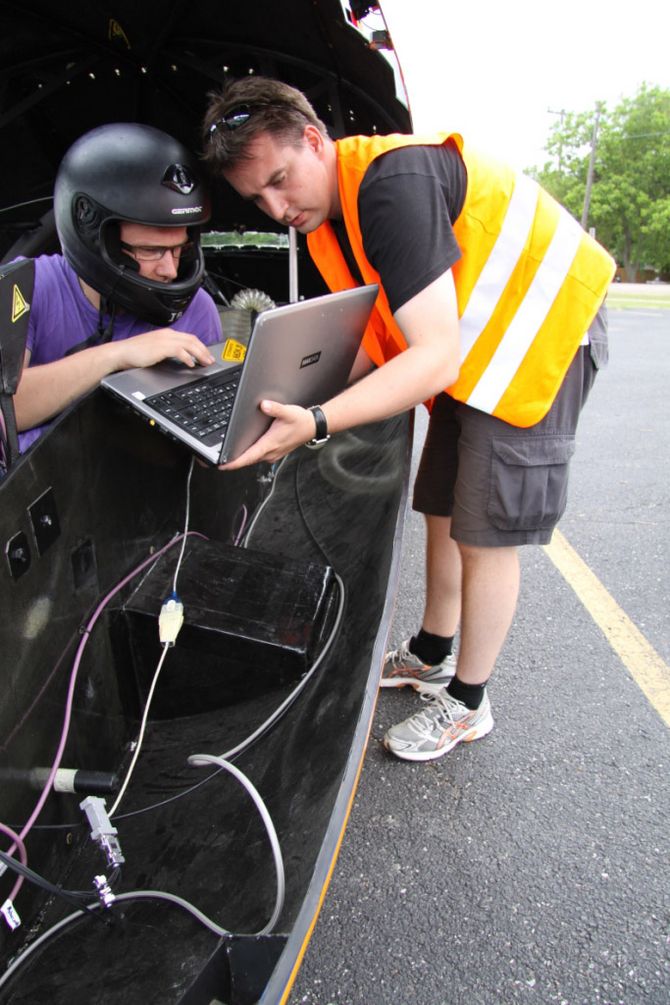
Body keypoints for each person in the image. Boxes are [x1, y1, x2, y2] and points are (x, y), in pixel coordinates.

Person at [201, 77, 615, 763]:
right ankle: (430, 653)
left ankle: (468, 702)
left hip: (541, 333)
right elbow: (380, 337)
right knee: (445, 509)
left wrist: (319, 420)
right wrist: (290, 394)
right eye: (255, 199)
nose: (276, 208)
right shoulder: (337, 209)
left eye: (279, 180)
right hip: (476, 344)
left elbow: (431, 358)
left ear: (312, 138)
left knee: (487, 530)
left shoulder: (388, 188)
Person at [14, 122, 222, 452]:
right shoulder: (26, 288)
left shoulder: (197, 311)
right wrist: (119, 356)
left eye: (179, 249)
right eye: (151, 251)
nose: (169, 270)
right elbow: (7, 410)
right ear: (94, 236)